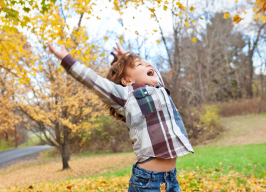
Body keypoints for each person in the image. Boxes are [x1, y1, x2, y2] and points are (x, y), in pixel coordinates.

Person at [47, 42, 194, 192]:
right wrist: (66, 58)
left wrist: (126, 56)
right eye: (139, 64)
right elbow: (93, 80)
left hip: (170, 180)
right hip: (147, 183)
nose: (148, 65)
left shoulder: (159, 88)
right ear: (127, 81)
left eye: (145, 63)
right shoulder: (127, 96)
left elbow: (152, 70)